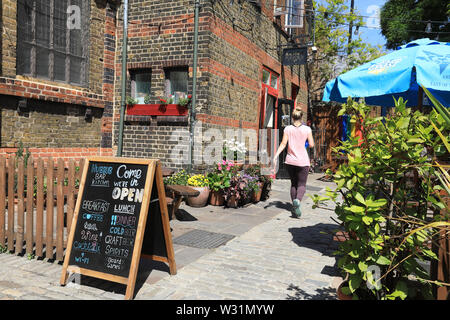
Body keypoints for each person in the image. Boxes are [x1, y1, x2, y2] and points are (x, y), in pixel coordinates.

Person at [273, 107, 314, 218]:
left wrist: (275, 156)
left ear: (292, 117)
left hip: (290, 161)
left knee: (293, 184)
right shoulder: (307, 129)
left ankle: (294, 207)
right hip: (303, 161)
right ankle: (298, 201)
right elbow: (311, 145)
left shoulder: (287, 129)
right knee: (301, 184)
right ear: (301, 117)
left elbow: (283, 144)